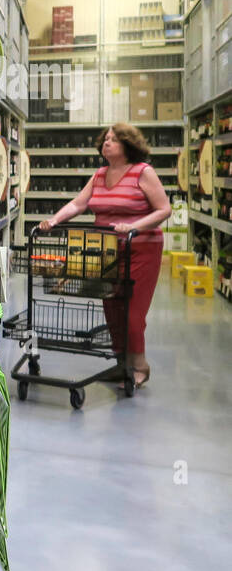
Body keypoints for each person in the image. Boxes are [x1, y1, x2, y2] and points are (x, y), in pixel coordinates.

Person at [38, 123, 171, 389]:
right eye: (105, 139)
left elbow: (164, 209)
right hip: (106, 248)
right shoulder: (100, 174)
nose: (106, 143)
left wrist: (135, 226)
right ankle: (122, 364)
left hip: (141, 248)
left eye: (113, 139)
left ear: (127, 145)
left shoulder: (142, 173)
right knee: (112, 307)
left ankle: (140, 365)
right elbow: (79, 203)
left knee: (133, 312)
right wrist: (53, 220)